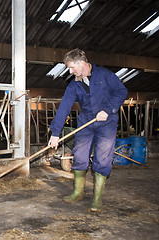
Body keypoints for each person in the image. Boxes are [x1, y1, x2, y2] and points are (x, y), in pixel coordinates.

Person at [48, 48, 128, 212]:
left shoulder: (105, 75)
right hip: (86, 122)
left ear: (81, 63)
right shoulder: (74, 85)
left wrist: (108, 109)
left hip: (106, 122)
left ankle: (97, 198)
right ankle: (78, 192)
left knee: (103, 157)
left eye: (71, 67)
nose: (70, 71)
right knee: (79, 154)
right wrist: (55, 133)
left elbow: (121, 91)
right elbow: (64, 108)